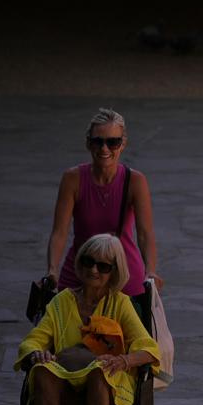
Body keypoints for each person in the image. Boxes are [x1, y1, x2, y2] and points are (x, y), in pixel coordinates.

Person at [16, 234, 161, 405]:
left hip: (108, 388)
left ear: (114, 272)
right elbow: (32, 341)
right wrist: (37, 353)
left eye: (103, 266)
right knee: (41, 371)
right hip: (66, 382)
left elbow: (149, 349)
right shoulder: (61, 302)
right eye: (88, 262)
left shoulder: (121, 304)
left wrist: (125, 361)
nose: (93, 270)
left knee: (98, 372)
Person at [46, 109, 162, 298]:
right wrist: (52, 269)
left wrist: (150, 271)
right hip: (81, 272)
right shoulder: (72, 179)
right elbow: (60, 231)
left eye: (113, 142)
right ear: (88, 143)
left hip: (123, 274)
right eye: (97, 141)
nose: (104, 148)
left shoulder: (135, 181)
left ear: (123, 144)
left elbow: (145, 234)